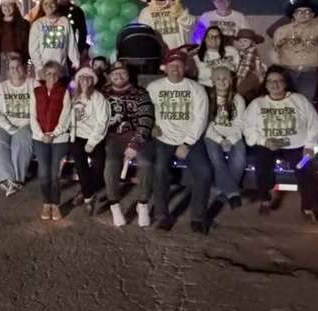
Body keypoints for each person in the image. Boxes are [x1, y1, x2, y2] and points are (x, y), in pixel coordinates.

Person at [243, 65, 318, 221]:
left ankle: (308, 207)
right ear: (265, 84)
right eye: (270, 81)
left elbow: (314, 123)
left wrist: (309, 145)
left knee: (305, 170)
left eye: (278, 81)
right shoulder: (257, 104)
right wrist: (264, 141)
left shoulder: (299, 100)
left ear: (285, 83)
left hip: (296, 144)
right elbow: (247, 127)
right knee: (261, 165)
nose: (274, 85)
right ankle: (265, 197)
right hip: (268, 144)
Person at [146, 49, 214, 234]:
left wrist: (188, 143)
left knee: (204, 173)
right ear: (165, 68)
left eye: (179, 65)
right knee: (160, 171)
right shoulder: (154, 87)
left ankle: (198, 218)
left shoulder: (196, 89)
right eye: (171, 65)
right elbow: (144, 111)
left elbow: (201, 118)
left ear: (185, 67)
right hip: (163, 138)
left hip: (190, 139)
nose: (175, 68)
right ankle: (162, 216)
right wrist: (150, 127)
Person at [101, 61, 155, 227]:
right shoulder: (103, 94)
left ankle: (143, 203)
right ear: (110, 77)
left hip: (137, 135)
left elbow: (146, 119)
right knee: (111, 164)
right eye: (114, 73)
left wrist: (135, 142)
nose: (118, 76)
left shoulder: (140, 93)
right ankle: (114, 205)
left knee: (146, 163)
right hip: (113, 136)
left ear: (128, 75)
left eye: (122, 72)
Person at [0, 54, 34, 195]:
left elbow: (39, 109)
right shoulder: (2, 88)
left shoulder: (33, 85)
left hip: (27, 125)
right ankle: (6, 177)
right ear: (8, 71)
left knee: (22, 138)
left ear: (24, 68)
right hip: (7, 125)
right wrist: (8, 126)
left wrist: (27, 124)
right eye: (12, 68)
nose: (15, 70)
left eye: (18, 66)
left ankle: (16, 179)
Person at [29, 61, 72, 220]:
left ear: (59, 76)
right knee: (44, 173)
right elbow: (32, 117)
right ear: (43, 75)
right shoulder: (36, 92)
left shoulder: (64, 92)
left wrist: (53, 134)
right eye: (48, 73)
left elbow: (65, 117)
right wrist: (42, 135)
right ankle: (46, 203)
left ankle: (55, 204)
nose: (51, 77)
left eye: (55, 74)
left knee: (55, 174)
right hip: (40, 138)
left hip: (59, 138)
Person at [204, 65, 248, 213]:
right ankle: (233, 193)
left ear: (230, 81)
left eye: (225, 79)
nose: (222, 82)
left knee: (240, 156)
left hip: (233, 134)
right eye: (218, 79)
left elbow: (240, 123)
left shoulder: (238, 99)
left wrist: (229, 139)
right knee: (216, 159)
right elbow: (206, 124)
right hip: (212, 134)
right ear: (213, 81)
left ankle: (222, 189)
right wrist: (219, 139)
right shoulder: (208, 98)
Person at [69, 66, 110, 213]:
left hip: (94, 136)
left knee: (99, 165)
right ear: (78, 80)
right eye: (82, 77)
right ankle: (88, 197)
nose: (84, 80)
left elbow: (102, 121)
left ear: (92, 81)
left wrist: (92, 142)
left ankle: (85, 190)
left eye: (88, 78)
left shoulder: (99, 98)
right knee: (80, 164)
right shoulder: (73, 97)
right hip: (77, 136)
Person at [29, 0, 80, 75]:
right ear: (42, 6)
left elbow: (71, 43)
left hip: (61, 69)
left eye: (52, 2)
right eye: (46, 3)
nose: (49, 5)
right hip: (44, 70)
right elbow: (33, 49)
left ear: (56, 4)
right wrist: (40, 67)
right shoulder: (38, 24)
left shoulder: (64, 21)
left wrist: (76, 61)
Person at [0, 0, 31, 84]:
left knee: (17, 87)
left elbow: (28, 46)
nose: (6, 8)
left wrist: (22, 59)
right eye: (4, 5)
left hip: (18, 61)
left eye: (9, 5)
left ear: (15, 7)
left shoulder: (24, 24)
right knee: (1, 89)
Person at [56, 0, 89, 64]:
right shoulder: (50, 8)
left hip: (69, 50)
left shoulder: (77, 11)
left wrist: (79, 50)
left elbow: (83, 32)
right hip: (51, 49)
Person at [233, 28, 267, 101]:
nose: (242, 43)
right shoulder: (243, 52)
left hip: (251, 75)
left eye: (245, 41)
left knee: (238, 93)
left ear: (252, 42)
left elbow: (245, 67)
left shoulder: (250, 52)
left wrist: (239, 80)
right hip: (248, 75)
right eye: (240, 41)